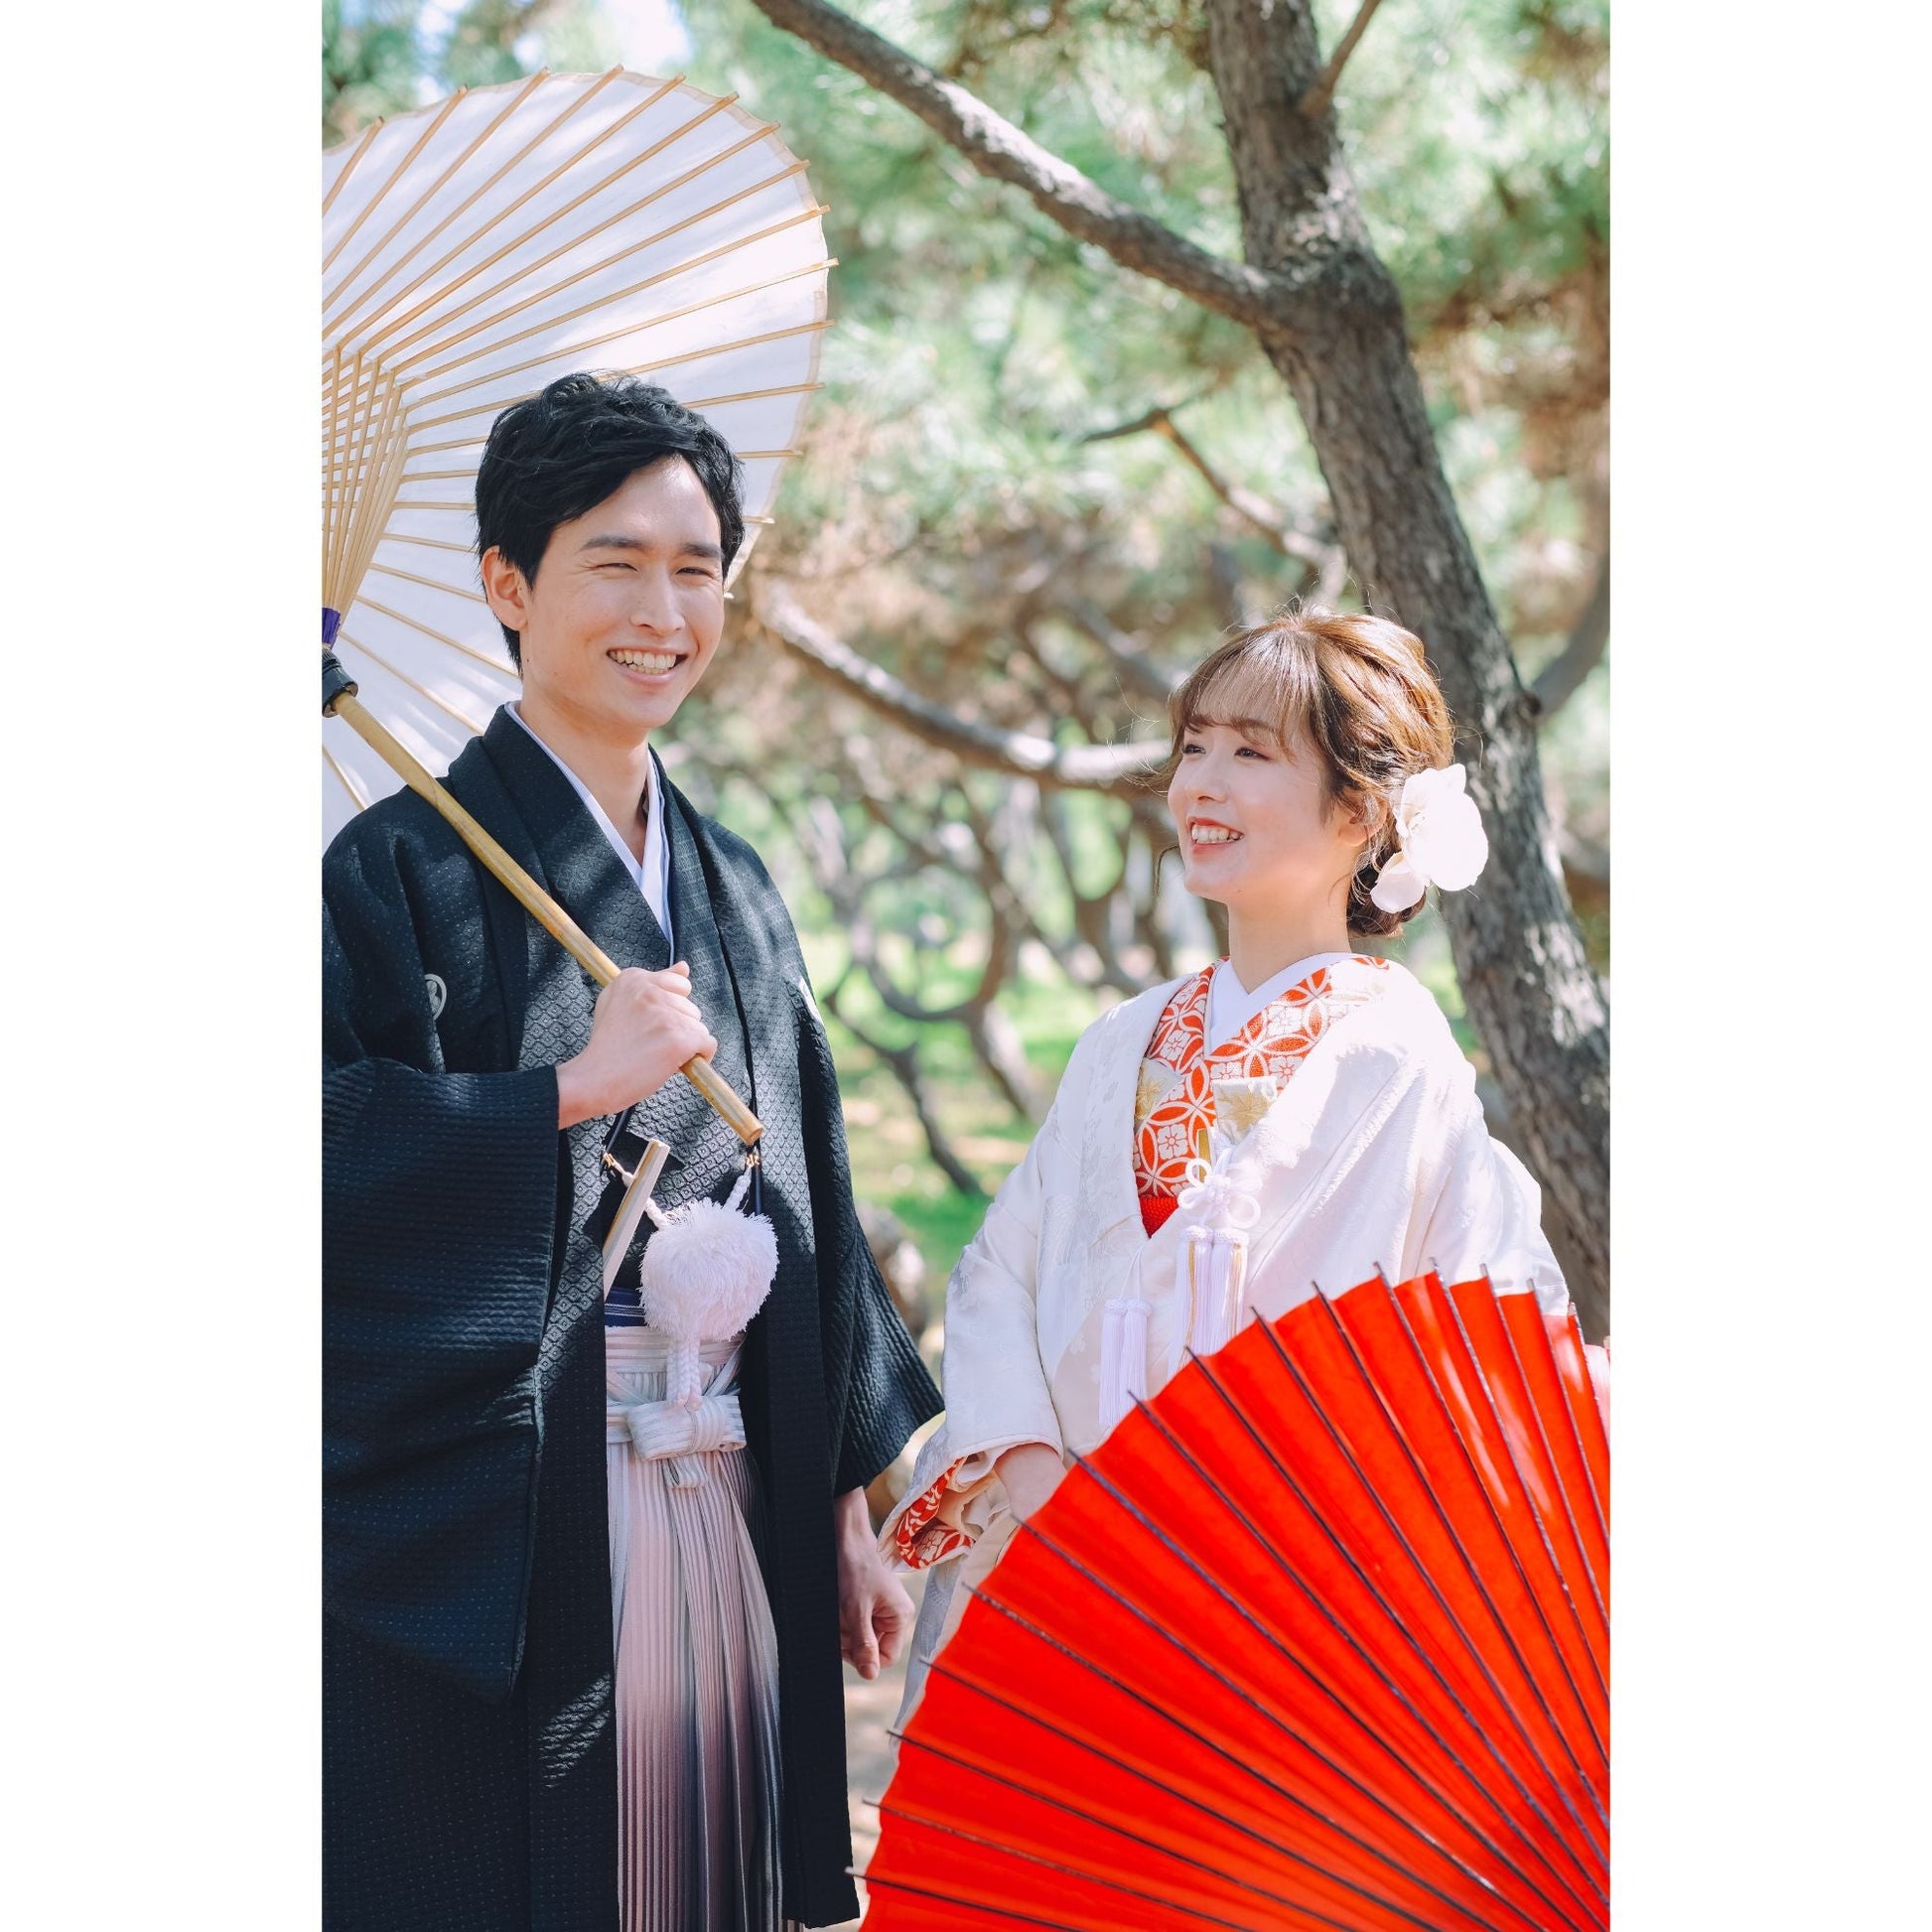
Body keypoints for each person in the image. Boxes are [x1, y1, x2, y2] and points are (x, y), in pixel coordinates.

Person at [323, 373, 940, 1932]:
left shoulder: (733, 879)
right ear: (508, 584)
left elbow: (807, 1185)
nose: (663, 611)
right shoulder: (391, 868)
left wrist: (841, 1506)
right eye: (615, 564)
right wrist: (559, 1093)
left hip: (733, 1472)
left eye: (695, 568)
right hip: (511, 1514)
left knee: (706, 1857)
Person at [881, 607, 1572, 1699]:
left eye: (1250, 753)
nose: (1200, 782)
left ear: (1361, 810)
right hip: (1058, 1552)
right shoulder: (1121, 1041)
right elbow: (1000, 1270)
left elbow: (1460, 1343)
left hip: (1270, 1586)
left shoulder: (1397, 1059)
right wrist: (1045, 1487)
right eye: (1194, 745)